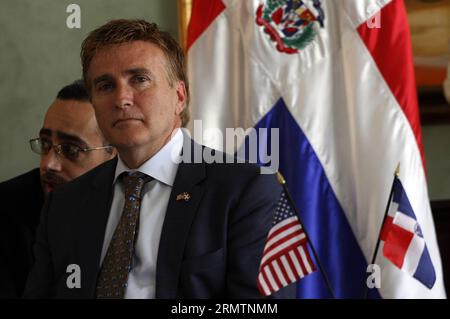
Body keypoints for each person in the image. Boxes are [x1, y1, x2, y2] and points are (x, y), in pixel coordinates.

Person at [24, 20, 295, 298]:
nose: (121, 99)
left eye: (139, 79)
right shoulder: (65, 203)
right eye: (105, 86)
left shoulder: (248, 189)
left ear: (179, 96)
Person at [0, 80, 116, 298]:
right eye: (45, 144)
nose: (48, 164)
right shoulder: (6, 212)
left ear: (115, 155)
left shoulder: (141, 207)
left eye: (71, 149)